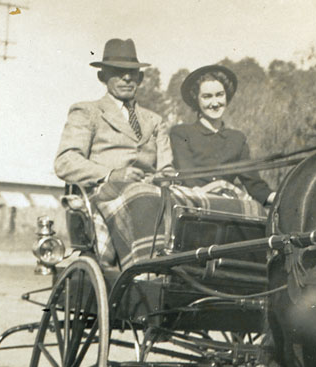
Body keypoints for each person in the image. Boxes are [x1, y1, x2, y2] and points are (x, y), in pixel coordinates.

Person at [54, 38, 173, 267]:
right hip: (105, 197)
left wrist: (163, 177)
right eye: (118, 72)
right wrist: (111, 174)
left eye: (132, 73)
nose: (127, 78)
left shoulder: (155, 121)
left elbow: (166, 169)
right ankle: (142, 270)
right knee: (142, 197)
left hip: (151, 198)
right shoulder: (87, 112)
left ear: (140, 78)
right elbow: (65, 162)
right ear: (103, 76)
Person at [170, 64, 275, 207]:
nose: (215, 103)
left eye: (220, 95)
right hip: (194, 207)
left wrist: (278, 198)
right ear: (197, 99)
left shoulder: (237, 139)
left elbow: (254, 185)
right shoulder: (181, 133)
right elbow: (188, 177)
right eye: (207, 97)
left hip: (228, 208)